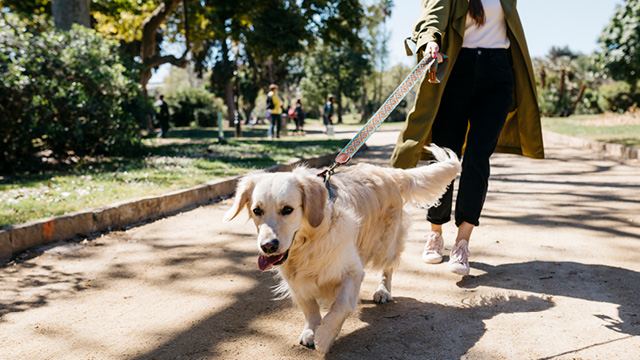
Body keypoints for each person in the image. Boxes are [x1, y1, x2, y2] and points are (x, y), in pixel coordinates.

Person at [391, 0, 544, 276]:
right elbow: (432, 16)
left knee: (477, 157)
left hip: (498, 74)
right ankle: (436, 232)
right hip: (456, 73)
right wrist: (429, 42)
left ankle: (462, 242)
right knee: (446, 157)